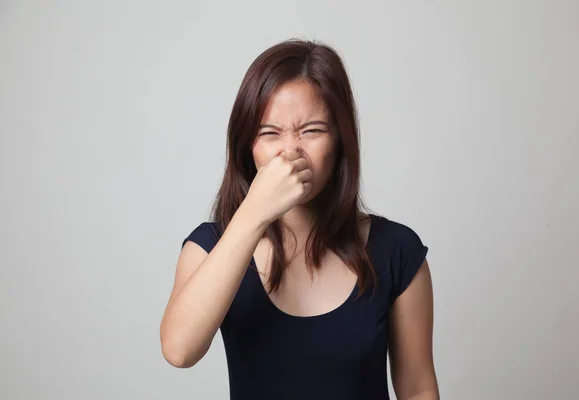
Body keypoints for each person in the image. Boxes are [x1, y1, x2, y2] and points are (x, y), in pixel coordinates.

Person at [160, 39, 439, 400]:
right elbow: (179, 350)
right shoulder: (210, 246)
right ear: (248, 148)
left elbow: (418, 388)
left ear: (340, 140)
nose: (290, 151)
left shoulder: (396, 251)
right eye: (269, 133)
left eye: (312, 131)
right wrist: (255, 212)